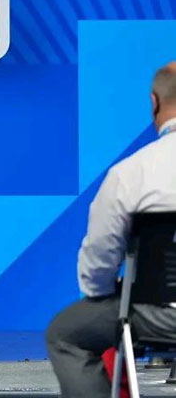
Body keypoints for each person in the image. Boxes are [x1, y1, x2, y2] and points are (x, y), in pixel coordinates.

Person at [46, 62, 176, 396]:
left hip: (156, 315)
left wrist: (110, 292)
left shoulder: (131, 174)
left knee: (65, 334)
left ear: (154, 102)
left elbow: (96, 267)